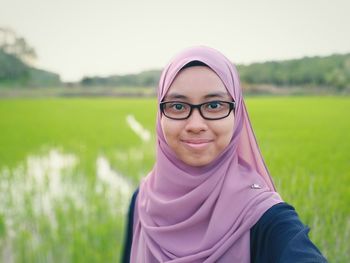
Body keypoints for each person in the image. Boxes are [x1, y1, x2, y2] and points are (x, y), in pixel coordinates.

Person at [122, 46, 327, 262]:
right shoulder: (142, 201)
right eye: (178, 106)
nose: (195, 125)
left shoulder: (265, 218)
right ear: (160, 114)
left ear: (236, 114)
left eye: (214, 105)